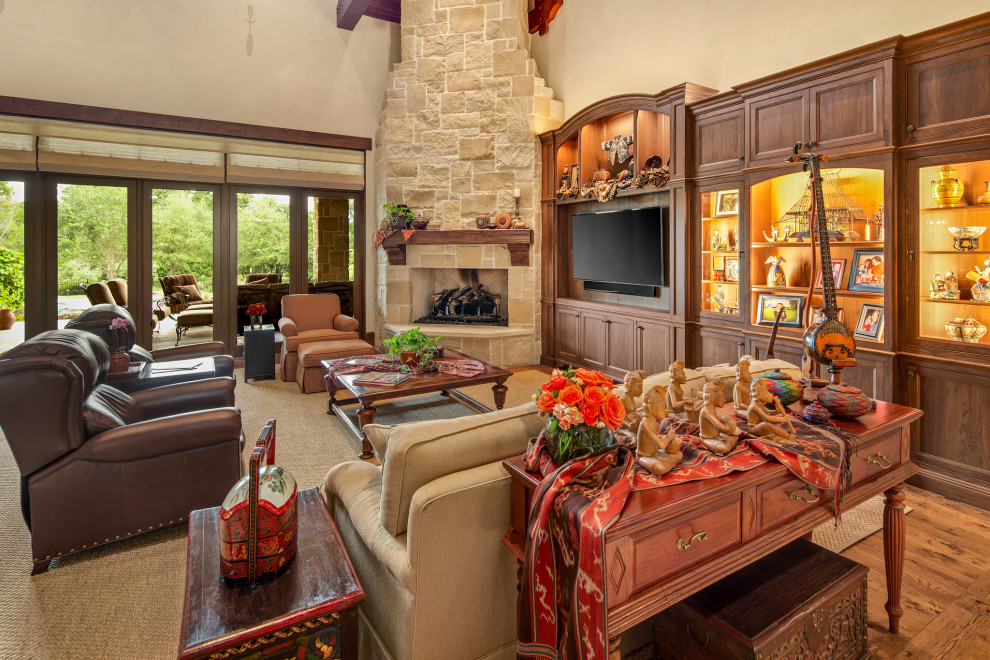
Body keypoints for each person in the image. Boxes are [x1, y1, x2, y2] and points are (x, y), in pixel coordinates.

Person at [636, 386, 682, 477]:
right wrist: (668, 438)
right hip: (645, 456)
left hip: (656, 453)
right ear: (652, 408)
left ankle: (667, 465)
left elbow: (655, 440)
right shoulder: (645, 423)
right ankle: (664, 467)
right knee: (659, 468)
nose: (665, 410)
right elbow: (661, 445)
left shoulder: (654, 422)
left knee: (679, 455)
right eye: (662, 407)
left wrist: (665, 437)